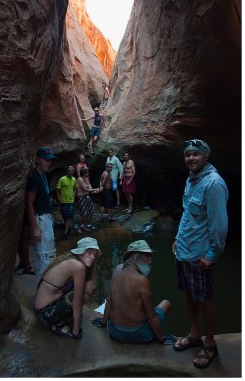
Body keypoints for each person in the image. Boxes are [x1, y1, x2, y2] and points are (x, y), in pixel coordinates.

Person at [172, 139, 228, 369]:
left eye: (196, 155)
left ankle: (210, 343)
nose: (191, 159)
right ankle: (194, 334)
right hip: (184, 250)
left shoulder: (214, 183)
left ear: (205, 157)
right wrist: (177, 237)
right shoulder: (191, 180)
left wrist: (212, 254)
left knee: (205, 298)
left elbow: (219, 224)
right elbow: (188, 214)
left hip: (199, 254)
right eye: (188, 155)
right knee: (189, 294)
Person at [91, 240, 174, 344]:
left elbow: (110, 300)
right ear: (134, 256)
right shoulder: (142, 280)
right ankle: (158, 335)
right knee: (166, 303)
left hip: (115, 332)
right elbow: (151, 315)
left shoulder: (117, 269)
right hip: (138, 334)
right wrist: (162, 339)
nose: (151, 259)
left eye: (151, 256)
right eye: (147, 255)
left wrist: (103, 323)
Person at [34, 237, 102, 339]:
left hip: (41, 305)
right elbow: (77, 303)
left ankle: (65, 318)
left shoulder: (71, 260)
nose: (93, 257)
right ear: (80, 252)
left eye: (95, 254)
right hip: (45, 312)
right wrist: (76, 331)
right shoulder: (78, 266)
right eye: (89, 252)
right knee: (80, 294)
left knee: (87, 286)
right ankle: (58, 324)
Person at [26, 147, 56, 284]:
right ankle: (45, 295)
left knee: (41, 258)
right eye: (46, 160)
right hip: (41, 219)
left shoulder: (43, 175)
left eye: (50, 160)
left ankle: (40, 292)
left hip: (46, 218)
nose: (48, 163)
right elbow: (29, 203)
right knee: (47, 258)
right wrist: (35, 228)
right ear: (38, 159)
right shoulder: (33, 177)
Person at [76, 168, 99, 233]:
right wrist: (96, 189)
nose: (88, 174)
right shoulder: (80, 179)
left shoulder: (86, 179)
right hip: (81, 198)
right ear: (84, 173)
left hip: (87, 197)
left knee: (91, 211)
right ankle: (79, 227)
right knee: (84, 214)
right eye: (87, 172)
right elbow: (85, 189)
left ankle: (84, 226)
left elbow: (90, 189)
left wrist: (96, 191)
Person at [56, 166, 77, 238]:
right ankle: (67, 228)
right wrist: (59, 198)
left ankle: (66, 232)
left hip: (70, 201)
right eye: (70, 171)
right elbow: (58, 189)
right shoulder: (62, 179)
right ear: (67, 171)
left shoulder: (74, 179)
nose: (71, 172)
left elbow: (75, 188)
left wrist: (74, 196)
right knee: (64, 216)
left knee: (68, 216)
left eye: (72, 171)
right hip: (63, 201)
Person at [15, 208, 35, 275]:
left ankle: (23, 262)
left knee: (21, 239)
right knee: (25, 238)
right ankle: (27, 266)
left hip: (20, 214)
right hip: (24, 214)